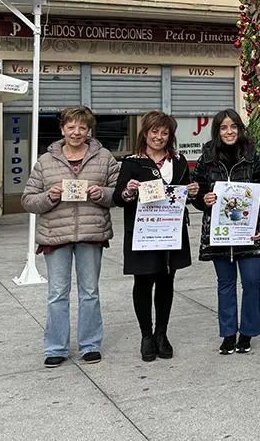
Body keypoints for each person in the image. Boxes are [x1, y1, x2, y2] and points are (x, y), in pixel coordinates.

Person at [22, 106, 119, 368]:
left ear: (89, 130)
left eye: (82, 128)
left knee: (89, 292)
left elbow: (118, 194)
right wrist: (49, 196)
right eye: (71, 127)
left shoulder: (104, 157)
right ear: (62, 129)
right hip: (55, 235)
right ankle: (56, 347)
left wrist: (103, 195)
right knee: (57, 293)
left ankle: (90, 344)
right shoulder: (45, 161)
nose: (76, 132)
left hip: (91, 232)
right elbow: (28, 200)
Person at [114, 111, 198, 362]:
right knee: (143, 282)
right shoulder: (132, 162)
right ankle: (146, 335)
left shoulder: (180, 161)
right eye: (154, 131)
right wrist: (129, 191)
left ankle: (162, 334)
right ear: (145, 132)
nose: (159, 137)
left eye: (164, 133)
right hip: (143, 233)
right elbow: (119, 199)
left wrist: (192, 192)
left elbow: (185, 195)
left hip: (171, 233)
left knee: (166, 281)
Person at [192, 109, 260, 355]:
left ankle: (248, 331)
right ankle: (228, 333)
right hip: (220, 233)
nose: (229, 132)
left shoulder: (253, 156)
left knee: (251, 282)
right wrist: (203, 199)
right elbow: (197, 193)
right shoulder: (207, 156)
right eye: (224, 128)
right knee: (225, 283)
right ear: (217, 131)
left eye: (233, 127)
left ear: (240, 129)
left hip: (247, 232)